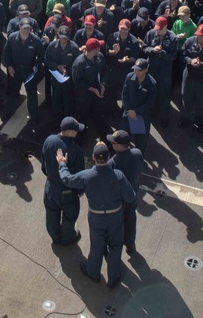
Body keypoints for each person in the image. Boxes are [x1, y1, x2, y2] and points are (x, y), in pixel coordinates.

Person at [57, 142, 136, 288]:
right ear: (108, 157)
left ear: (93, 157)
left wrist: (62, 164)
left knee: (96, 245)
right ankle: (113, 278)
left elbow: (67, 179)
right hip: (115, 217)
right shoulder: (118, 175)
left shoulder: (86, 176)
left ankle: (93, 273)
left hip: (96, 216)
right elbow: (130, 197)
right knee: (115, 246)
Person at [41, 117, 86, 246]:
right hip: (68, 192)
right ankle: (67, 238)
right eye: (76, 130)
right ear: (69, 132)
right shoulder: (75, 151)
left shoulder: (49, 141)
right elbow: (80, 176)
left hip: (50, 188)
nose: (78, 133)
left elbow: (44, 166)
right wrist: (80, 191)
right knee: (70, 217)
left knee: (51, 214)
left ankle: (55, 237)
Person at [107, 130, 144, 256]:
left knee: (115, 224)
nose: (112, 144)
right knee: (130, 220)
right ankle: (130, 245)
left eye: (113, 142)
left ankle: (113, 246)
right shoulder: (137, 153)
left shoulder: (112, 163)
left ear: (119, 145)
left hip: (118, 201)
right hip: (132, 195)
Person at [4, 18, 45, 124]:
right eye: (24, 28)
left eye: (28, 28)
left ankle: (34, 116)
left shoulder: (36, 40)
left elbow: (41, 55)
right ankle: (9, 113)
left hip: (29, 70)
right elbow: (6, 53)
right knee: (13, 92)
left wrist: (37, 65)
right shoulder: (12, 38)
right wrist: (9, 66)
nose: (26, 30)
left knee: (31, 94)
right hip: (15, 69)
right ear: (19, 27)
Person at [72, 38, 108, 141]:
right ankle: (79, 139)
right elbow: (77, 81)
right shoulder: (79, 63)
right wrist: (91, 89)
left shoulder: (99, 57)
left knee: (98, 114)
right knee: (82, 116)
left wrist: (103, 84)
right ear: (93, 50)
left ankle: (104, 138)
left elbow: (105, 71)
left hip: (97, 92)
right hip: (83, 94)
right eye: (98, 48)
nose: (100, 49)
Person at [121, 58, 156, 150]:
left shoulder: (152, 84)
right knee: (123, 138)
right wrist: (129, 111)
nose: (136, 72)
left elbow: (150, 104)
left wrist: (136, 112)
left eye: (139, 70)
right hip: (128, 113)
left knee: (141, 142)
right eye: (135, 69)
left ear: (146, 70)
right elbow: (124, 95)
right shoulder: (129, 77)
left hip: (142, 115)